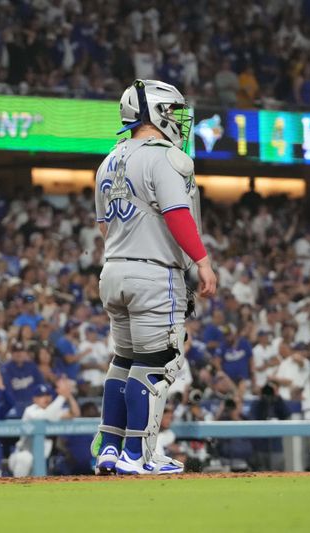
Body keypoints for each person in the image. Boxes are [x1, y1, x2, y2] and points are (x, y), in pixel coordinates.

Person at [92, 79, 217, 475]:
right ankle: (137, 455)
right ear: (158, 113)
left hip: (113, 270)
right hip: (152, 273)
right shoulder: (164, 157)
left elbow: (102, 226)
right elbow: (177, 213)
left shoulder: (108, 159)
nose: (179, 118)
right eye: (174, 110)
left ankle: (110, 448)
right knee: (159, 362)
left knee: (125, 361)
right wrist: (202, 260)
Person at [8, 380, 80, 478]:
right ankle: (16, 487)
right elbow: (47, 416)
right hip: (21, 455)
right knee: (25, 458)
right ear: (34, 399)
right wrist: (62, 396)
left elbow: (75, 413)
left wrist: (68, 395)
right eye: (41, 396)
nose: (46, 398)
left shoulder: (53, 410)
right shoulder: (30, 411)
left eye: (48, 395)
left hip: (41, 458)